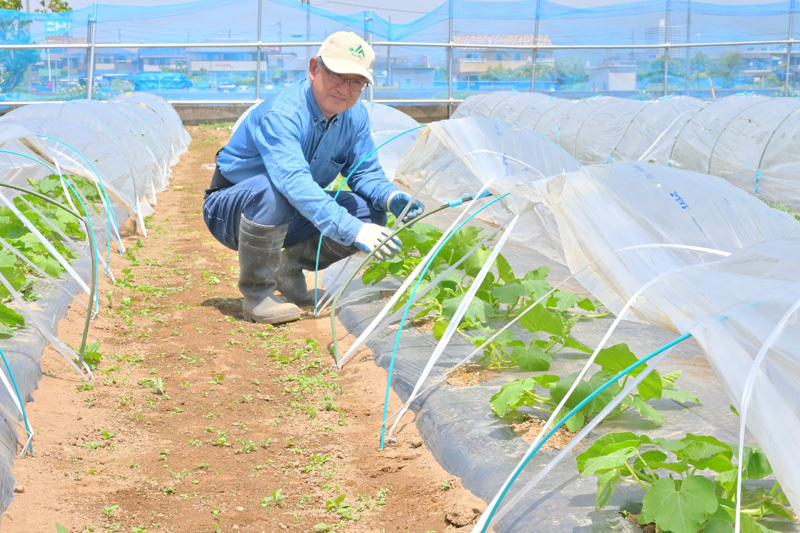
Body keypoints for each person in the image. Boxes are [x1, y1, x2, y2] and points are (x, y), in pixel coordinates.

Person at [202, 31, 424, 325]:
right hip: (232, 212)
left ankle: (289, 267)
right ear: (313, 69)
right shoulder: (284, 113)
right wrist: (352, 230)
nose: (344, 88)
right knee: (274, 189)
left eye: (356, 81)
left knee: (370, 212)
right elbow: (293, 181)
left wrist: (390, 196)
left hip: (290, 211)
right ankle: (257, 294)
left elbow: (364, 171)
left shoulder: (354, 117)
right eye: (337, 75)